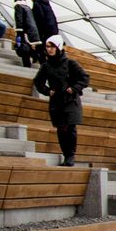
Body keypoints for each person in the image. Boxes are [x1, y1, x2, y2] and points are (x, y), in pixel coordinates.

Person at [31, 37, 89, 166]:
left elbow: (84, 78)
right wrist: (47, 91)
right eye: (47, 46)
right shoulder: (46, 65)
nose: (49, 49)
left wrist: (73, 88)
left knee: (70, 127)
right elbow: (38, 81)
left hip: (71, 100)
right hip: (57, 101)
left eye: (52, 46)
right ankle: (66, 155)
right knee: (61, 129)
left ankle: (70, 155)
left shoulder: (70, 63)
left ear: (58, 47)